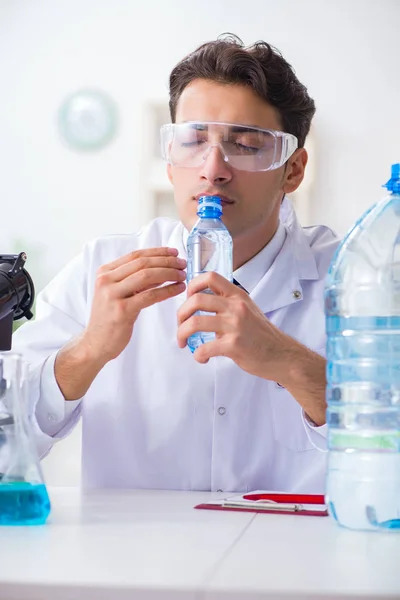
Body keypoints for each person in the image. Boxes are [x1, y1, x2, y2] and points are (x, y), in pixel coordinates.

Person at [13, 34, 339, 492]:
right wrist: (89, 351)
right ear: (170, 161)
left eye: (245, 144)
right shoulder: (103, 269)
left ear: (293, 170)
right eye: (193, 141)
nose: (213, 168)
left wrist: (287, 361)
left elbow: (389, 450)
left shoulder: (350, 281)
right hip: (135, 561)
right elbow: (8, 434)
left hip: (302, 560)